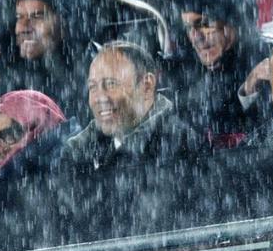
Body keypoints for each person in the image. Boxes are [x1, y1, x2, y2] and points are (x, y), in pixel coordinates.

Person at [61, 42, 199, 174]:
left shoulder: (181, 147)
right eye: (92, 87)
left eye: (111, 84)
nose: (99, 98)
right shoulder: (80, 150)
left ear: (147, 86)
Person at [173, 0, 267, 148]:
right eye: (188, 27)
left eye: (205, 24)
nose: (195, 37)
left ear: (237, 19)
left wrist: (249, 93)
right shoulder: (183, 68)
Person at [1, 0, 97, 118]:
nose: (23, 28)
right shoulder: (15, 74)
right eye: (20, 17)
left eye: (37, 16)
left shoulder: (102, 73)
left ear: (69, 22)